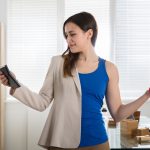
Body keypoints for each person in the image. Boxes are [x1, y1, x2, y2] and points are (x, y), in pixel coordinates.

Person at [0, 12, 150, 150]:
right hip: (62, 143)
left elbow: (117, 113)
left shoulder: (109, 69)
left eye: (72, 34)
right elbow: (41, 102)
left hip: (98, 142)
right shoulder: (58, 63)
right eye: (66, 35)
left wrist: (146, 95)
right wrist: (14, 84)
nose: (68, 40)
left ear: (89, 33)